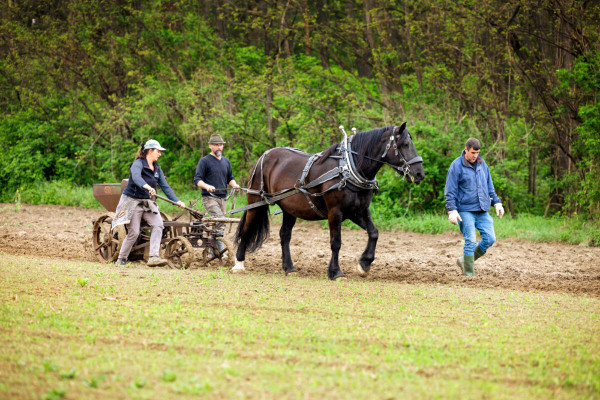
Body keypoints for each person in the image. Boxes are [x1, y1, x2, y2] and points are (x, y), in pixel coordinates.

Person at [113, 139, 185, 267]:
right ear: (150, 151)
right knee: (134, 232)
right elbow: (136, 177)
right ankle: (121, 258)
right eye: (158, 151)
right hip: (133, 202)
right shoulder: (138, 163)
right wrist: (146, 186)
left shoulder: (157, 168)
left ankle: (153, 257)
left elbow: (165, 187)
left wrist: (177, 201)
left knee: (158, 225)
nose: (160, 154)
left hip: (147, 203)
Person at [444, 138, 504, 276]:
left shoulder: (482, 164)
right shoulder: (456, 166)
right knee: (470, 241)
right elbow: (450, 190)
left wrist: (496, 201)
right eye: (472, 152)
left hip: (482, 209)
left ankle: (464, 261)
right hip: (465, 210)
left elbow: (489, 185)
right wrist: (452, 210)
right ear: (466, 149)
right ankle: (469, 276)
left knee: (490, 239)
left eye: (477, 152)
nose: (475, 155)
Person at [193, 134, 240, 255]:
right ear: (210, 146)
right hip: (209, 198)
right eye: (216, 145)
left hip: (223, 199)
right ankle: (221, 252)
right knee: (221, 221)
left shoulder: (226, 161)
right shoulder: (204, 161)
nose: (219, 147)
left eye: (221, 145)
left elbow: (230, 177)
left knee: (218, 225)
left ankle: (211, 251)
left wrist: (234, 185)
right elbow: (197, 180)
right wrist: (207, 186)